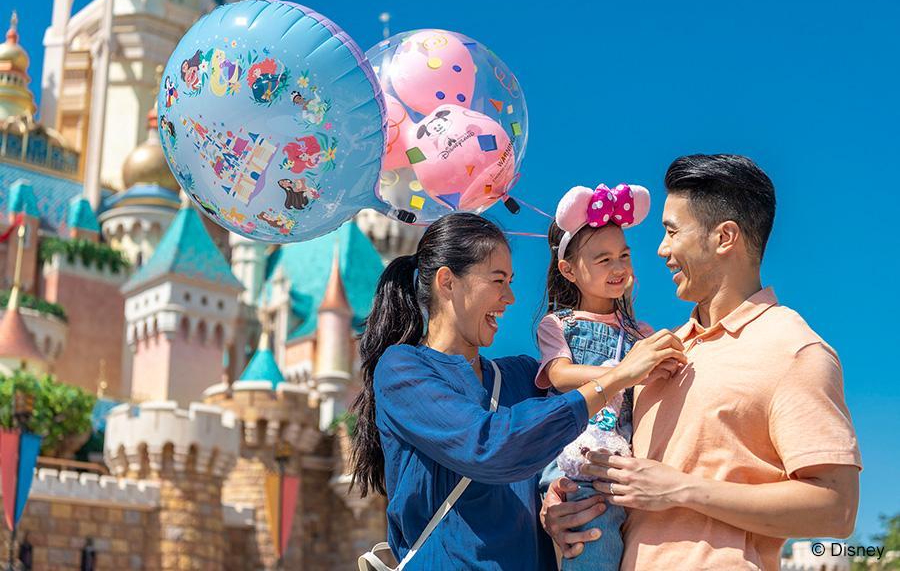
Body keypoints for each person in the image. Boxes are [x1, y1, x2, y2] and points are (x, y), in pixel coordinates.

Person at [542, 154, 861, 570]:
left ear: (724, 236)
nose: (660, 250)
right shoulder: (657, 351)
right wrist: (560, 505)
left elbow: (837, 510)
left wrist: (681, 490)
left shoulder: (793, 348)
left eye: (672, 232)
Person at [349, 212, 685, 570]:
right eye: (498, 280)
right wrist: (617, 376)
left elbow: (556, 458)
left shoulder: (525, 376)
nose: (510, 297)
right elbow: (489, 446)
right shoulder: (402, 369)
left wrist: (555, 503)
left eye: (510, 281)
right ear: (448, 282)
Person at [536, 182, 657, 571]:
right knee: (595, 547)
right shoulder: (559, 324)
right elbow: (558, 374)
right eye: (603, 260)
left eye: (624, 255)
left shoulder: (643, 334)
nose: (619, 267)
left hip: (628, 464)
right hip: (581, 462)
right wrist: (624, 372)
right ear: (568, 270)